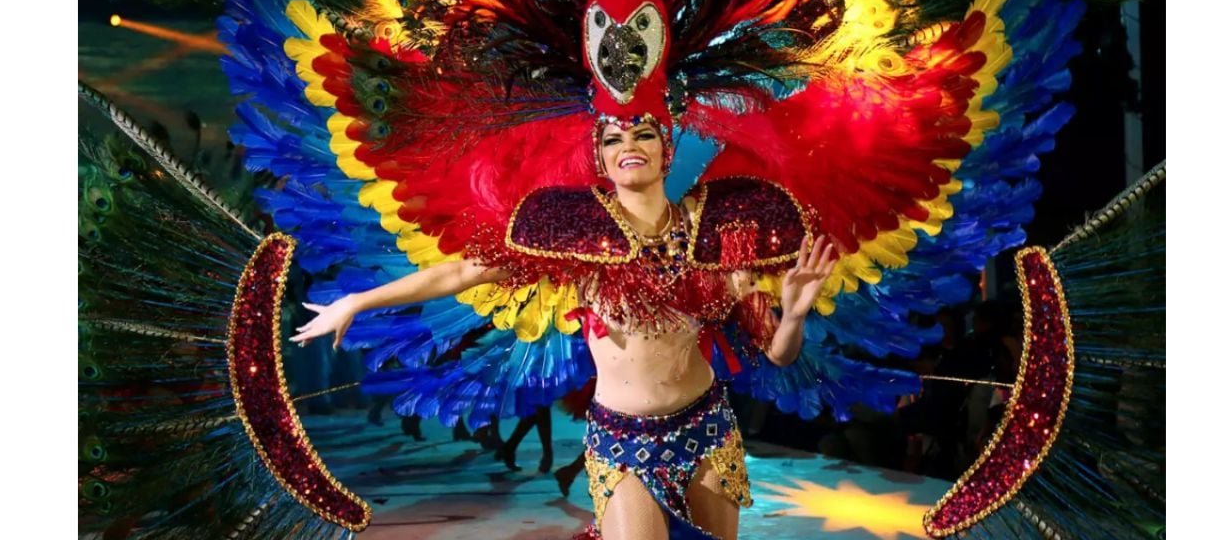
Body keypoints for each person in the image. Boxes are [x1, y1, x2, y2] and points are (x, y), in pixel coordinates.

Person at [292, 109, 838, 540]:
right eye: (613, 140)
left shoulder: (717, 233)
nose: (629, 148)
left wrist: (792, 313)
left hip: (706, 429)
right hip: (623, 440)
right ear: (600, 158)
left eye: (643, 135)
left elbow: (780, 355)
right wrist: (358, 301)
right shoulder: (577, 238)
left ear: (666, 151)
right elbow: (460, 271)